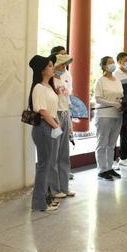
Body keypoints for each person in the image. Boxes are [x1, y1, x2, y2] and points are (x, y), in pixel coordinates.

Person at [28, 55, 61, 212]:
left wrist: (56, 123)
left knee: (47, 165)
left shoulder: (49, 87)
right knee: (44, 166)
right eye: (49, 66)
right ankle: (39, 203)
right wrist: (56, 125)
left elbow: (52, 110)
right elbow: (42, 110)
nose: (52, 67)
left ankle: (45, 198)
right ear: (41, 70)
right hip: (44, 128)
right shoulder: (39, 88)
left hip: (51, 125)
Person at [49, 54, 76, 199]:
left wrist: (70, 123)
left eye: (65, 65)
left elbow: (66, 101)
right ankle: (53, 188)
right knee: (54, 153)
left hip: (65, 115)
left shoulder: (62, 80)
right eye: (61, 64)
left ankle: (64, 186)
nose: (63, 67)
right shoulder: (50, 80)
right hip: (55, 116)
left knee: (64, 154)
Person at [93, 56, 123, 181]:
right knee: (102, 143)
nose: (113, 64)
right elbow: (98, 98)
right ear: (104, 66)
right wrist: (112, 103)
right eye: (110, 63)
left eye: (113, 62)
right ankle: (102, 169)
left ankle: (109, 167)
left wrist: (121, 102)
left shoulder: (116, 79)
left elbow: (120, 94)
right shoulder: (100, 81)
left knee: (112, 143)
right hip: (104, 115)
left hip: (117, 114)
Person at [113, 52, 127, 168]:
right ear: (119, 62)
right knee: (114, 133)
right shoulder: (115, 74)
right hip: (118, 106)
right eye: (126, 60)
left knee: (126, 132)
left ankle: (123, 157)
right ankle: (112, 160)